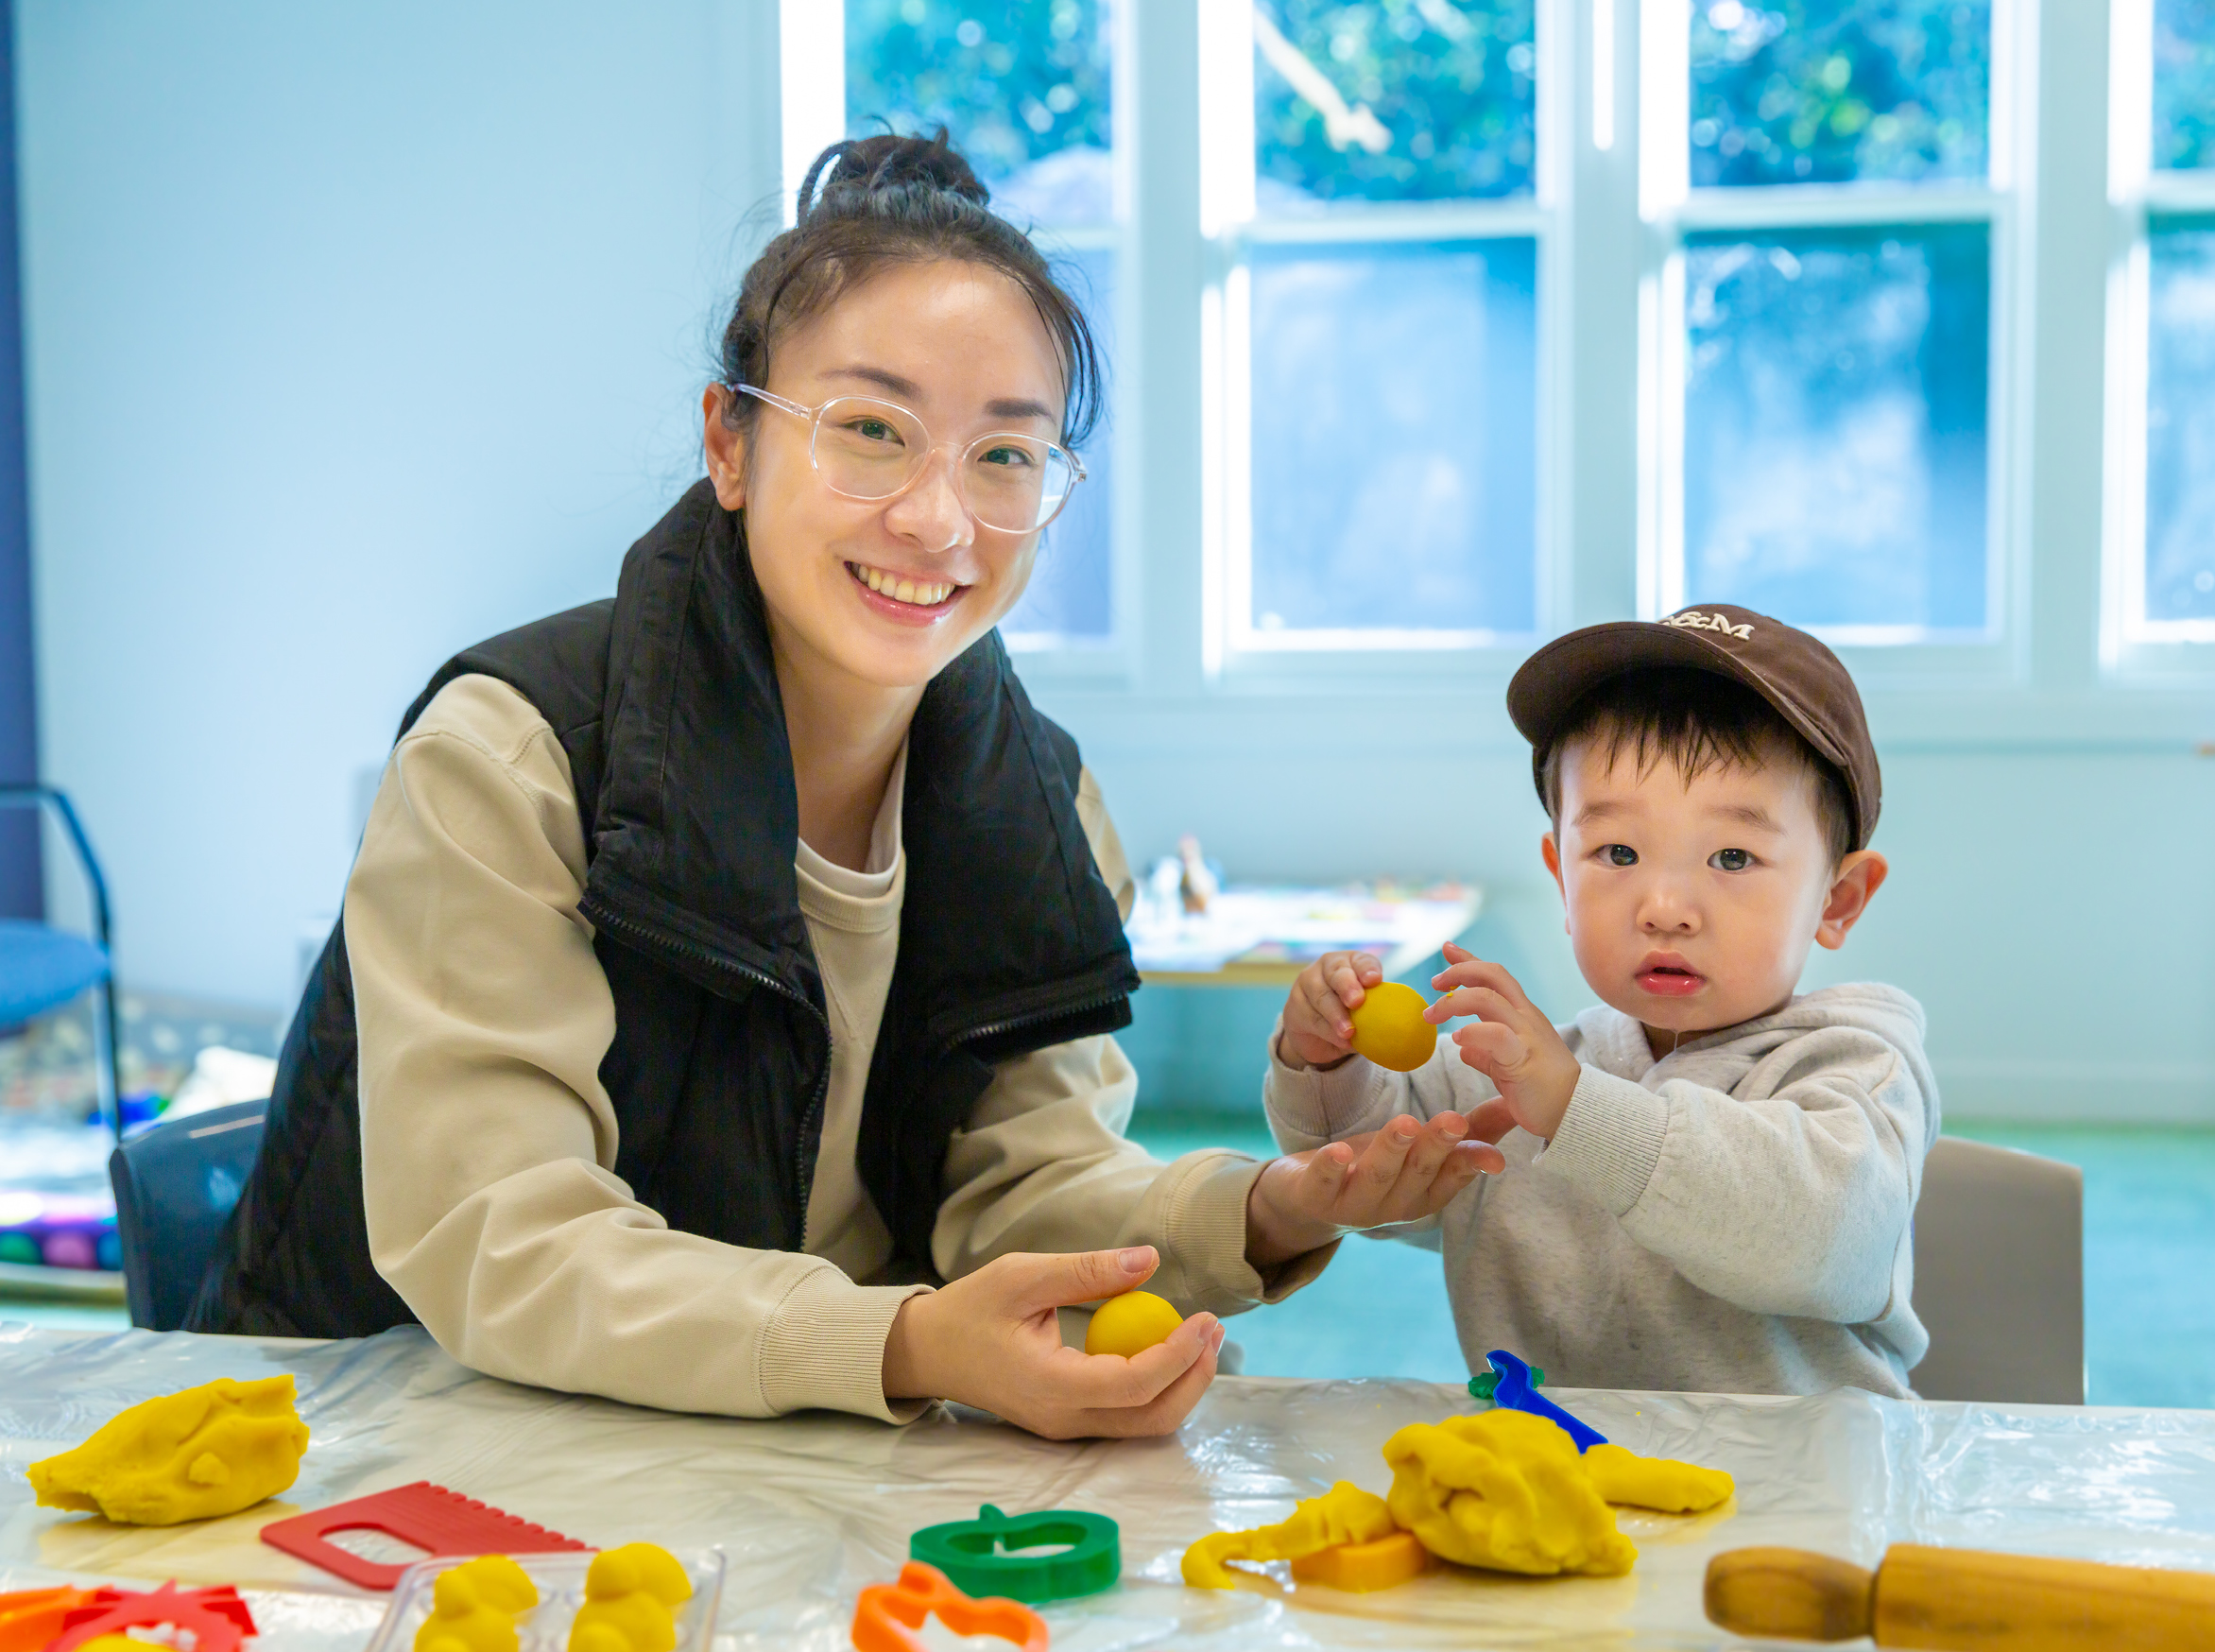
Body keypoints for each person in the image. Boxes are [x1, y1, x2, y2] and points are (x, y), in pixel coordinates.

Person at [191, 131, 1497, 1437]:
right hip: (385, 1455)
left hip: (776, 1458)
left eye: (1006, 456)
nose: (938, 519)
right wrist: (906, 1339)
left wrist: (1261, 1208)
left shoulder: (1034, 795)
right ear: (731, 443)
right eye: (871, 431)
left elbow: (1020, 1186)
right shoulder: (513, 756)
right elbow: (507, 1244)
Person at [1263, 605, 1937, 1398]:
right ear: (1561, 875)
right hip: (1567, 1492)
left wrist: (1578, 1110)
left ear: (1839, 900)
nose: (1664, 907)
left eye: (1732, 856)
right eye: (1617, 852)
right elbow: (1364, 1171)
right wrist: (1324, 1060)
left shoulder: (1856, 1062)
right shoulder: (1522, 1072)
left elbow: (1822, 1242)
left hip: (1803, 1496)